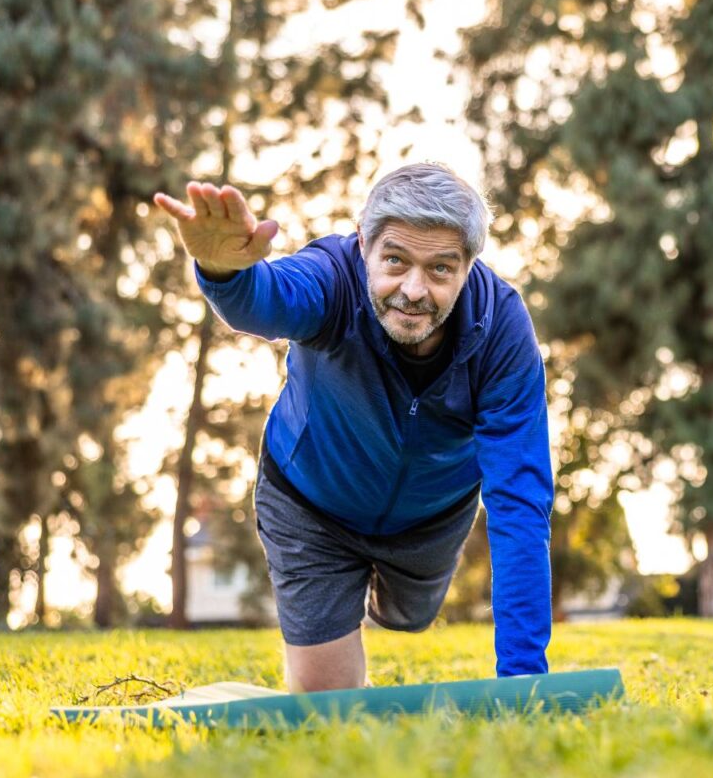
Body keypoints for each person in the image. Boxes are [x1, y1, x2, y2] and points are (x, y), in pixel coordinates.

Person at [153, 163, 552, 689]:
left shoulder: (501, 329)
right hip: (311, 506)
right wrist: (227, 273)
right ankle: (334, 608)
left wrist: (522, 679)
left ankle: (391, 596)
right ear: (363, 243)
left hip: (430, 519)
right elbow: (271, 298)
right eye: (394, 260)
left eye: (440, 270)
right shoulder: (331, 278)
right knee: (328, 703)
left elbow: (519, 499)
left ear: (469, 266)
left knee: (409, 616)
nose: (413, 290)